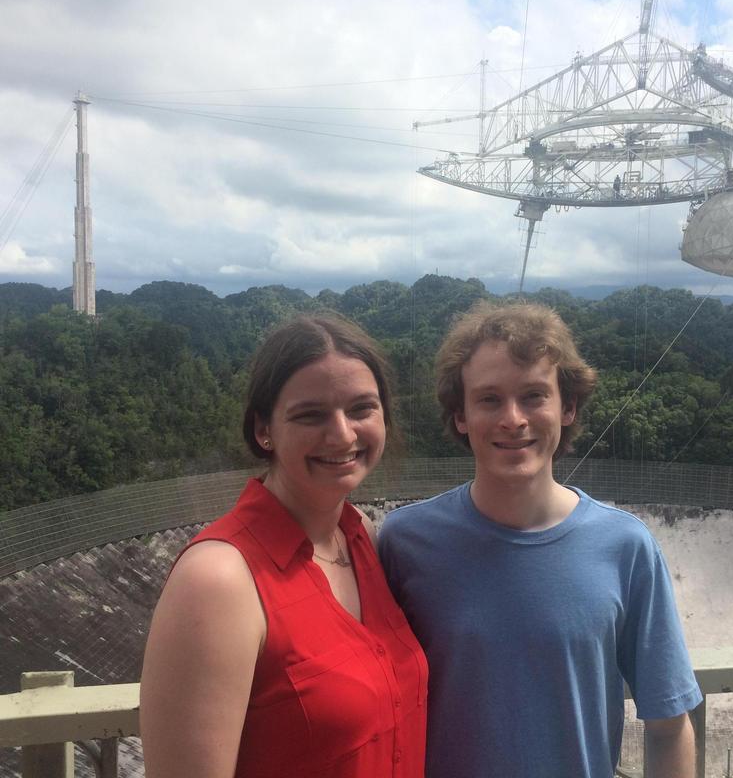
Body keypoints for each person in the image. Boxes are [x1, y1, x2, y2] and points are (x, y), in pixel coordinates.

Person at [379, 302, 701, 778]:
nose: (513, 418)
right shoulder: (405, 544)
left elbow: (669, 727)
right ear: (460, 415)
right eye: (489, 399)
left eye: (533, 396)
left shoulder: (625, 547)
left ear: (567, 407)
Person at [141, 314, 427, 778]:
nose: (341, 434)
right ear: (263, 430)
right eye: (310, 414)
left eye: (361, 408)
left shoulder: (366, 541)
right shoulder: (219, 581)